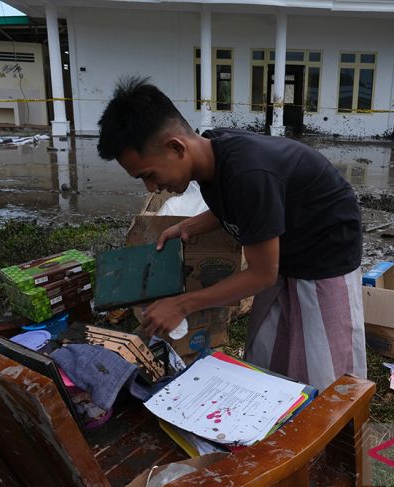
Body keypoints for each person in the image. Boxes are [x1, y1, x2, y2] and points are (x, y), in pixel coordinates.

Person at [97, 76, 366, 390]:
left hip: (325, 250)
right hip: (286, 246)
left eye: (149, 175)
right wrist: (189, 225)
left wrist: (182, 305)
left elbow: (263, 274)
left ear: (175, 147)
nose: (151, 188)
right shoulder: (212, 154)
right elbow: (239, 206)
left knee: (325, 368)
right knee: (270, 348)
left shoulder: (247, 172)